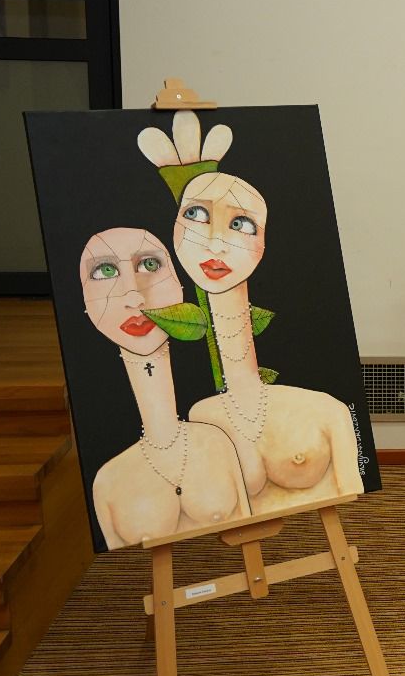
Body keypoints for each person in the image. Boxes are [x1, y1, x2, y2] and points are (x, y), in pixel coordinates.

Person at [172, 171, 366, 514]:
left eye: (241, 224)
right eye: (196, 214)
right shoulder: (201, 415)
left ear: (264, 243)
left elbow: (350, 485)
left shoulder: (326, 411)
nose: (215, 244)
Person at [80, 228, 250, 549]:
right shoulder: (107, 483)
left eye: (149, 265)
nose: (135, 297)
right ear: (85, 302)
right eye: (105, 271)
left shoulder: (219, 442)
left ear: (180, 285)